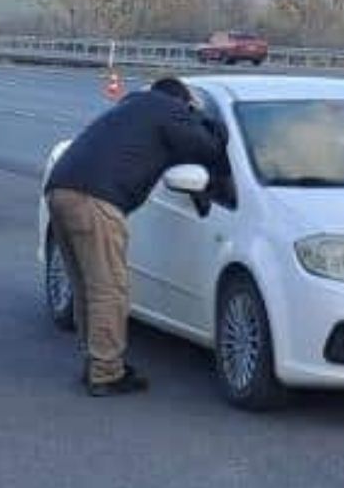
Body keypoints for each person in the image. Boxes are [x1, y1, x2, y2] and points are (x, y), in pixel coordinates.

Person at [45, 77, 230, 396]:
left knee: (87, 287)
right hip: (95, 199)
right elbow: (209, 148)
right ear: (182, 102)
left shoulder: (134, 106)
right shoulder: (169, 110)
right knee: (108, 289)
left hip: (60, 189)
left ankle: (96, 362)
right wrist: (209, 123)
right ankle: (106, 373)